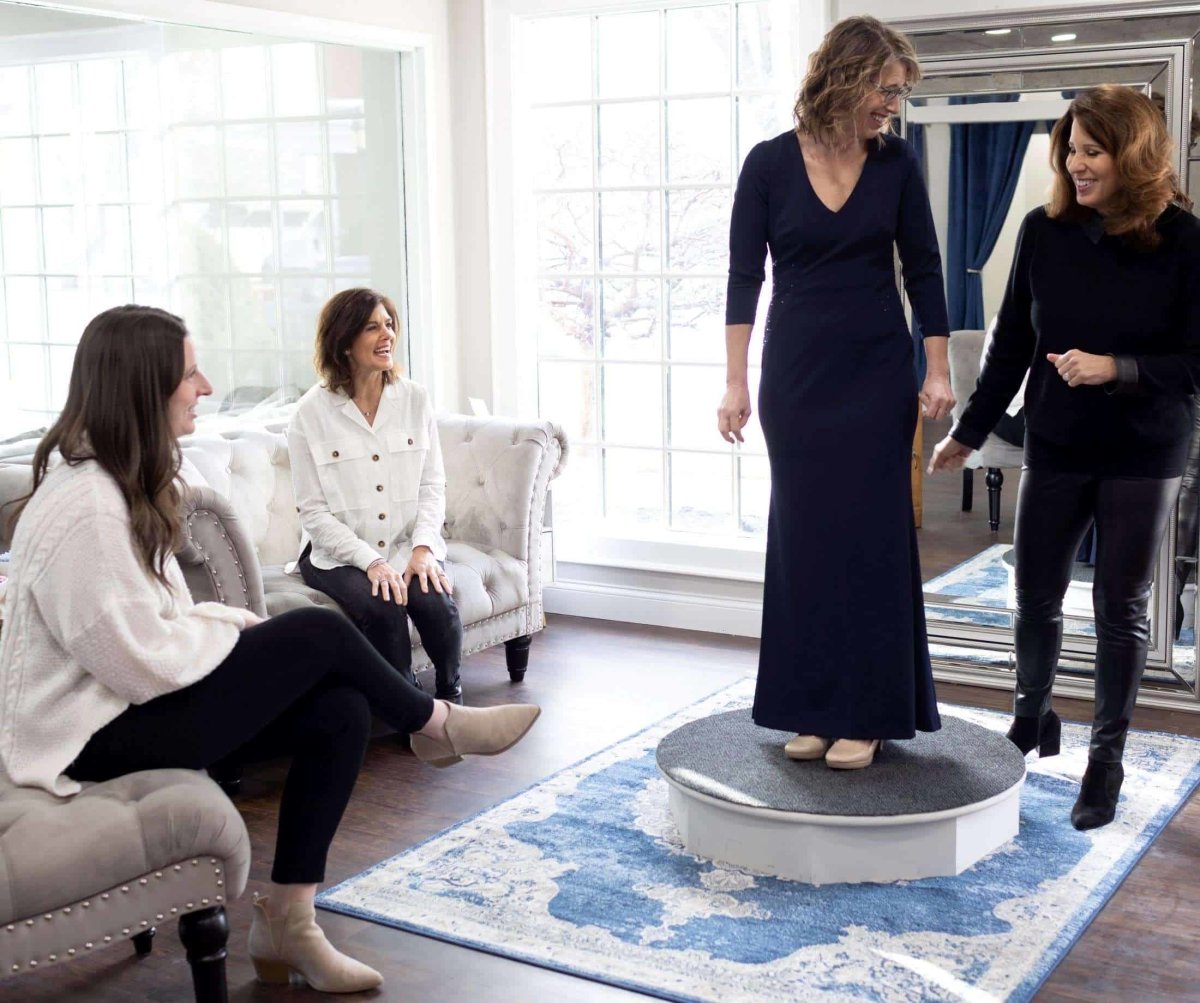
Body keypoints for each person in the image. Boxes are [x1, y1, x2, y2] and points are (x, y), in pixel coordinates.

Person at [0, 305, 541, 993]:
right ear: (143, 388)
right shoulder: (85, 506)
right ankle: (436, 723)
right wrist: (234, 633)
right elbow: (135, 657)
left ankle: (289, 919)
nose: (207, 385)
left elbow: (154, 620)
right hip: (86, 738)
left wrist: (230, 626)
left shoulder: (116, 484)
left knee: (340, 708)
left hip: (121, 709)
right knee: (316, 630)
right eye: (190, 373)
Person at [929, 85, 1200, 830]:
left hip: (1144, 450)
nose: (1077, 164)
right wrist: (966, 430)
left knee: (1120, 607)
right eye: (1070, 150)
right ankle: (1031, 719)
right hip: (1056, 439)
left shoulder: (1185, 239)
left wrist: (1119, 368)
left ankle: (1105, 761)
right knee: (1035, 593)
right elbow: (1012, 342)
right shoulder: (1042, 233)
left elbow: (1196, 359)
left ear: (1133, 155)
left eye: (1093, 150)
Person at [720, 16, 952, 770]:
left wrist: (939, 369)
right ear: (848, 77)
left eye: (898, 93)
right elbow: (743, 280)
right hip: (796, 378)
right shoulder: (767, 166)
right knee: (806, 540)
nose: (893, 104)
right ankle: (810, 707)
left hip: (877, 375)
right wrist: (733, 381)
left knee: (873, 538)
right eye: (886, 89)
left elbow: (925, 270)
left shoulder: (896, 167)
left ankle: (869, 712)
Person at [288, 288, 464, 703]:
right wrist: (372, 562)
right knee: (384, 607)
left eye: (389, 324)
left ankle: (451, 696)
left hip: (406, 544)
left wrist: (423, 549)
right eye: (372, 327)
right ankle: (409, 705)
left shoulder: (415, 399)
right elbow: (314, 515)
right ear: (344, 342)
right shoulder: (309, 414)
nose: (387, 335)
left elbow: (432, 486)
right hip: (338, 555)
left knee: (435, 603)